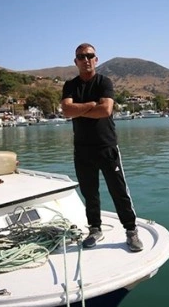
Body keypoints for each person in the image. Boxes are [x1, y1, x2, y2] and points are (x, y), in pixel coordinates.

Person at [60, 43, 143, 252]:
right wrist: (91, 105)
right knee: (90, 193)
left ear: (96, 59)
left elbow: (105, 110)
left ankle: (131, 231)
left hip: (107, 146)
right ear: (76, 61)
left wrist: (79, 109)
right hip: (82, 149)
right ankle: (94, 229)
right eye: (81, 56)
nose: (86, 60)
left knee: (119, 191)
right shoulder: (70, 85)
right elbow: (66, 111)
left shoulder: (104, 82)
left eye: (90, 56)